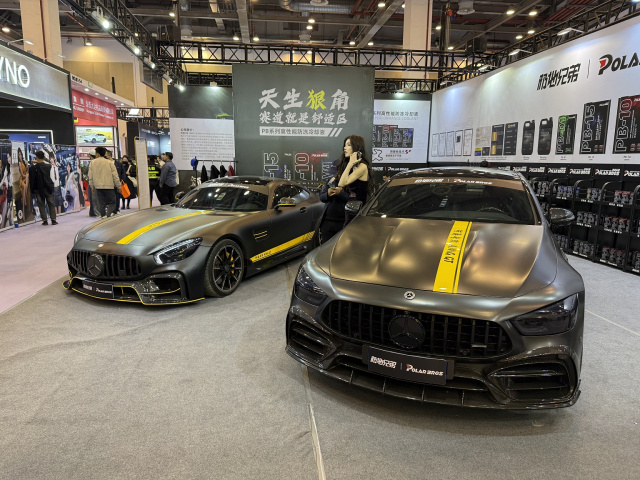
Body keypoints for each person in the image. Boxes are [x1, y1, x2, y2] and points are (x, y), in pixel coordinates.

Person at [337, 135, 374, 225]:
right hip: (352, 208)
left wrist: (350, 164)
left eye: (348, 145)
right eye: (345, 145)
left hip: (358, 210)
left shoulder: (362, 166)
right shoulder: (354, 166)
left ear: (357, 147)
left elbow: (341, 184)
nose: (345, 148)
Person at [318, 158, 349, 244]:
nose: (335, 176)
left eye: (337, 173)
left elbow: (353, 198)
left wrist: (340, 193)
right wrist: (328, 194)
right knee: (325, 246)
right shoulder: (330, 181)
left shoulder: (350, 182)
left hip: (342, 223)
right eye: (334, 173)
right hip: (327, 222)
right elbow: (322, 197)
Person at [88, 146, 121, 218]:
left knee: (101, 203)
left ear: (97, 154)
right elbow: (115, 176)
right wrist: (118, 186)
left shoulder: (92, 163)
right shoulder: (109, 162)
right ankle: (108, 215)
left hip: (98, 187)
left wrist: (92, 186)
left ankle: (103, 216)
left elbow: (90, 176)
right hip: (109, 186)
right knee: (112, 202)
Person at [29, 151, 57, 225]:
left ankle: (45, 220)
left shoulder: (33, 168)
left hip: (38, 189)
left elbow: (32, 180)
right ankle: (53, 220)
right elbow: (52, 178)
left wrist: (33, 190)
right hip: (48, 188)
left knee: (41, 205)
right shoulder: (49, 166)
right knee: (51, 203)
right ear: (44, 157)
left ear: (36, 157)